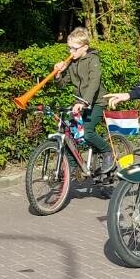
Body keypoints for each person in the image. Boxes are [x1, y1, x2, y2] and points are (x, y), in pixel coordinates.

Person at [51, 27, 111, 171]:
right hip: (80, 102)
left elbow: (94, 82)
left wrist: (84, 102)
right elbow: (62, 84)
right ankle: (74, 168)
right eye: (69, 48)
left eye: (74, 48)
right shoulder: (72, 63)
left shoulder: (93, 60)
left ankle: (107, 152)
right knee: (69, 133)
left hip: (96, 102)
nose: (71, 52)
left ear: (85, 47)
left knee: (87, 133)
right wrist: (58, 74)